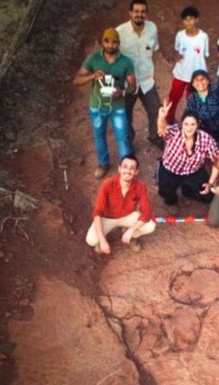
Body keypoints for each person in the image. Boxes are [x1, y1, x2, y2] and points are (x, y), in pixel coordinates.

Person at [73, 28, 136, 178]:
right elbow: (76, 80)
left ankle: (127, 168)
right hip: (97, 105)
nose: (110, 45)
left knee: (122, 137)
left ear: (119, 44)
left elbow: (133, 86)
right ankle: (103, 164)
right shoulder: (93, 59)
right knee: (99, 136)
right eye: (107, 41)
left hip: (118, 106)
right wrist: (92, 76)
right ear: (102, 42)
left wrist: (122, 92)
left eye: (114, 42)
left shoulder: (126, 61)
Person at [116, 0, 166, 150]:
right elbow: (112, 58)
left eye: (143, 11)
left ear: (146, 13)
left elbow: (155, 51)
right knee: (126, 115)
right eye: (136, 11)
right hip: (127, 84)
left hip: (146, 81)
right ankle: (129, 140)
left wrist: (153, 72)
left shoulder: (152, 28)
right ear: (130, 13)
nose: (139, 14)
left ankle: (155, 136)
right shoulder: (120, 32)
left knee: (156, 110)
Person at [86, 155, 156, 254]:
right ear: (119, 169)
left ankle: (130, 236)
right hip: (107, 218)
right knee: (91, 240)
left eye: (132, 168)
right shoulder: (107, 184)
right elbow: (97, 212)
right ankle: (102, 239)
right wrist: (102, 240)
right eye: (125, 167)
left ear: (136, 172)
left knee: (150, 226)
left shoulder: (140, 186)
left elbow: (147, 212)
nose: (128, 171)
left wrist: (131, 230)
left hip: (128, 216)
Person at [156, 100, 219, 205]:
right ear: (181, 124)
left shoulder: (206, 138)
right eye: (186, 124)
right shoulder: (175, 132)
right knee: (166, 195)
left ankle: (187, 191)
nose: (189, 128)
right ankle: (172, 198)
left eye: (193, 124)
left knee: (207, 196)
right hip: (170, 170)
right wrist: (162, 117)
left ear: (198, 124)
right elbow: (162, 129)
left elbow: (217, 161)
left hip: (193, 171)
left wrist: (211, 183)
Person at [167, 6, 209, 124]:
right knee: (173, 98)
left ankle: (193, 123)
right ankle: (170, 120)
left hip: (196, 76)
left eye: (191, 19)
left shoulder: (203, 36)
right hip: (181, 73)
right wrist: (175, 58)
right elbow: (177, 51)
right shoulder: (180, 35)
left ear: (197, 20)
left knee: (193, 100)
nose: (188, 22)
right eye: (185, 19)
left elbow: (204, 55)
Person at [186, 56, 219, 145]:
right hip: (210, 130)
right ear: (193, 84)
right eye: (197, 80)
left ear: (208, 81)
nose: (200, 82)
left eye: (203, 79)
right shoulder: (192, 99)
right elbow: (191, 116)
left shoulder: (215, 90)